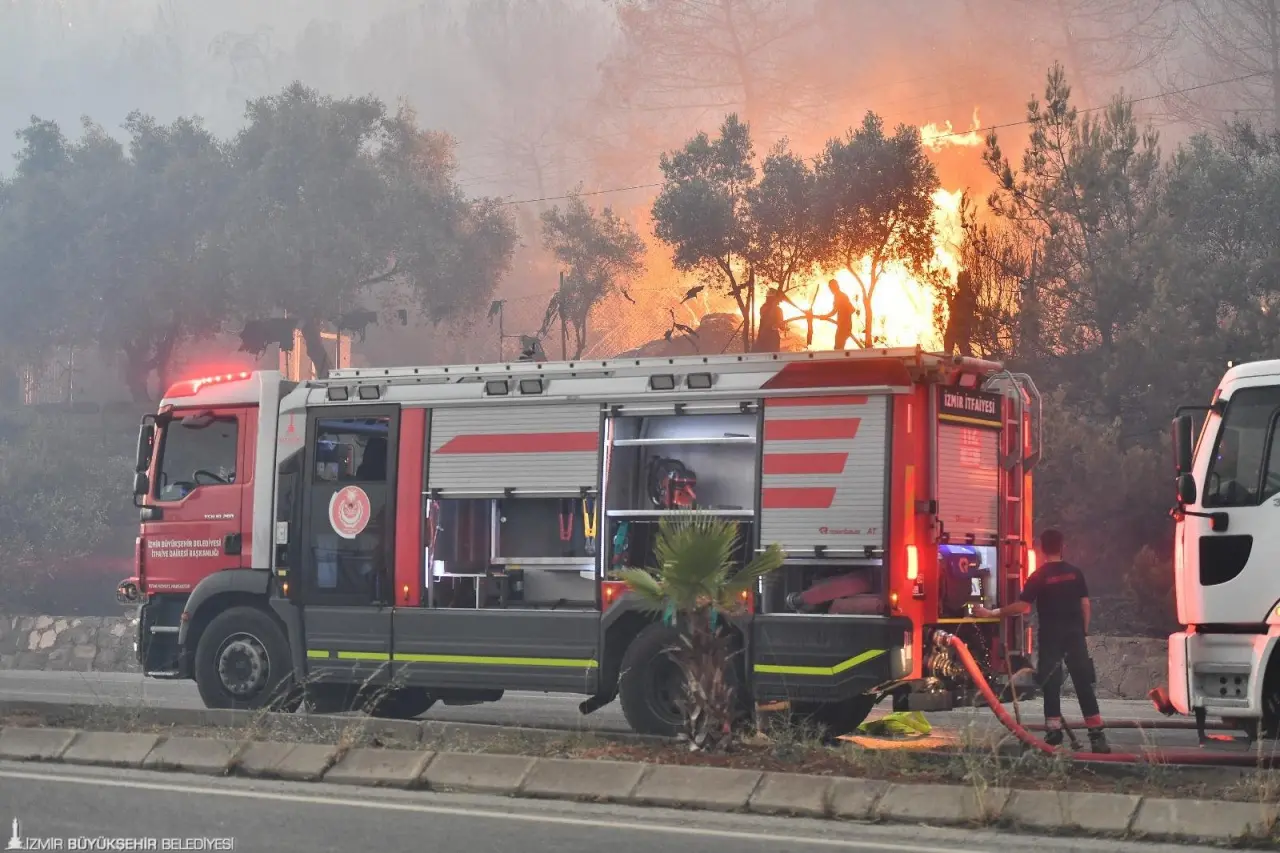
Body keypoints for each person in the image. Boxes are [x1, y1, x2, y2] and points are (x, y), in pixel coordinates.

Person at [973, 529, 1110, 753]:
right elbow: (1085, 605)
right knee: (1083, 683)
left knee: (1051, 684)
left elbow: (1023, 606)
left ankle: (1053, 736)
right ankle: (1097, 736)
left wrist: (992, 613)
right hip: (1074, 636)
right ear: (1062, 546)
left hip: (1050, 637)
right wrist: (1082, 632)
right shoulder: (1075, 573)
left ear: (1042, 549)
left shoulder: (1039, 576)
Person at [822, 279, 857, 349]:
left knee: (838, 348)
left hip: (843, 327)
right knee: (839, 347)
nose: (830, 290)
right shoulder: (842, 295)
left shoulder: (838, 296)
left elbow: (835, 310)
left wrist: (826, 316)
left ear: (834, 287)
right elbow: (852, 309)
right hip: (845, 326)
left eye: (830, 287)